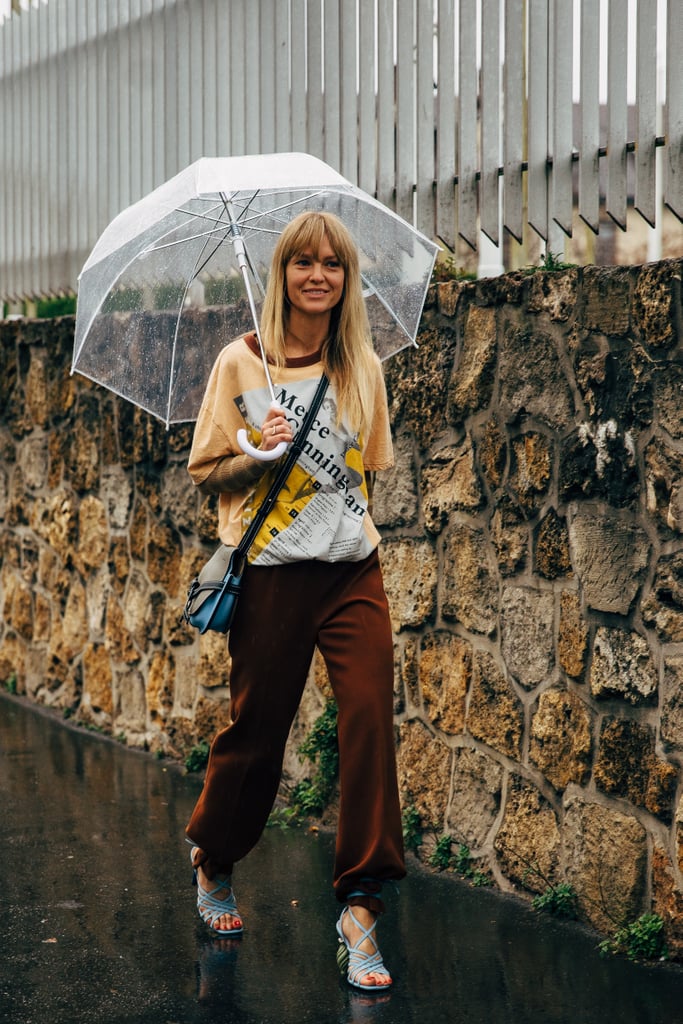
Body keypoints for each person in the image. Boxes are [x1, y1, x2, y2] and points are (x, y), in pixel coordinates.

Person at [185, 210, 405, 990]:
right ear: (280, 275)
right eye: (302, 263)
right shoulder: (237, 366)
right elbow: (204, 471)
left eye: (332, 265)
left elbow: (365, 476)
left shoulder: (362, 370)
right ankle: (213, 860)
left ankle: (360, 907)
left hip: (350, 571)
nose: (318, 276)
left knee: (369, 716)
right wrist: (256, 451)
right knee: (258, 734)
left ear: (346, 280)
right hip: (272, 572)